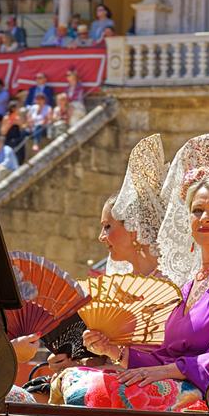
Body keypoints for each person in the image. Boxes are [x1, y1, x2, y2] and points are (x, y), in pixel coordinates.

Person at [58, 134, 209, 413]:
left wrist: (170, 371)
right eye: (197, 210)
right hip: (183, 385)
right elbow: (166, 355)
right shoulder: (189, 285)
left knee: (103, 391)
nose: (205, 218)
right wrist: (113, 351)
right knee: (78, 377)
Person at [47, 134, 168, 373]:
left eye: (108, 227)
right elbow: (102, 359)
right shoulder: (117, 285)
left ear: (134, 230)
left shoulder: (170, 284)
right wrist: (73, 363)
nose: (101, 237)